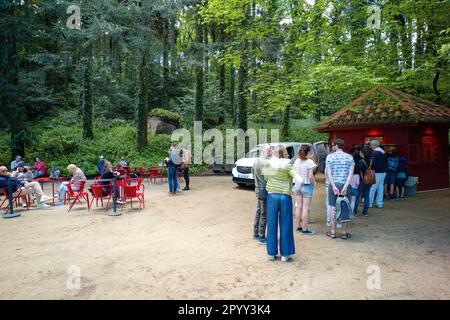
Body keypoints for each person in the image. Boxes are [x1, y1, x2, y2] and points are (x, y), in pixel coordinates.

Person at [265, 145, 302, 262]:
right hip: (285, 196)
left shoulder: (269, 163)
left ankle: (271, 253)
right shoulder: (288, 164)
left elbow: (265, 177)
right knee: (286, 224)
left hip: (271, 196)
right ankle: (285, 255)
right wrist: (294, 190)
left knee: (271, 225)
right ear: (285, 152)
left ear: (274, 153)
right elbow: (299, 179)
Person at [325, 139, 355, 240]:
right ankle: (344, 232)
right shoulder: (349, 157)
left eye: (333, 145)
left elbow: (329, 173)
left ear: (337, 146)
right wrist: (346, 186)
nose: (332, 146)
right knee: (345, 207)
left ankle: (333, 232)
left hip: (334, 184)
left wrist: (333, 186)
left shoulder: (330, 157)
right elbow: (350, 174)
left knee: (333, 208)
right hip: (345, 184)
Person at [293, 144, 317, 235]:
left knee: (298, 206)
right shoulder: (310, 162)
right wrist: (313, 183)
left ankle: (298, 226)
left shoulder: (296, 161)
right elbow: (311, 176)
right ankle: (305, 228)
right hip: (306, 186)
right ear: (308, 152)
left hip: (298, 185)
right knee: (305, 208)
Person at [251, 144, 271, 244]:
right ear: (264, 151)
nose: (270, 152)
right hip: (264, 190)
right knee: (264, 213)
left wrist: (256, 182)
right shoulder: (265, 163)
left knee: (259, 211)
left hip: (257, 188)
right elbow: (268, 178)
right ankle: (262, 236)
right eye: (269, 150)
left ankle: (255, 234)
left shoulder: (257, 160)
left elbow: (252, 171)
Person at [368, 140, 387, 209]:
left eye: (371, 145)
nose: (370, 146)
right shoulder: (383, 152)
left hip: (377, 172)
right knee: (380, 188)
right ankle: (379, 203)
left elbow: (373, 163)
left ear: (375, 145)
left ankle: (369, 203)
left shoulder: (375, 152)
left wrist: (372, 170)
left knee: (373, 188)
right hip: (383, 172)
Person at [357, 147, 373, 217]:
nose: (359, 153)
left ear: (363, 154)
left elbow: (359, 170)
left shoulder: (361, 161)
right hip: (370, 179)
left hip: (362, 180)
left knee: (358, 196)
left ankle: (355, 211)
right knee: (367, 195)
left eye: (360, 152)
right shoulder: (372, 161)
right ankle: (365, 212)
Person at [350, 148, 362, 216]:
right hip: (355, 188)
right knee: (353, 201)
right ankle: (352, 213)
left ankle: (347, 212)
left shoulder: (350, 173)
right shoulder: (357, 175)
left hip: (349, 187)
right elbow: (358, 183)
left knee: (348, 200)